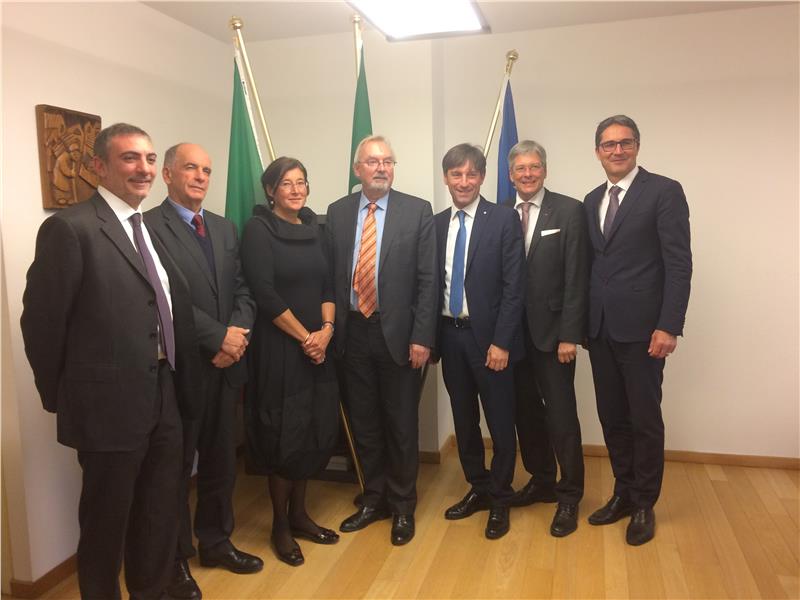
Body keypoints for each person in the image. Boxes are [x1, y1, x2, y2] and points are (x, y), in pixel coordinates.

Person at [20, 123, 201, 599]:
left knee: (158, 513)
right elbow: (42, 323)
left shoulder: (149, 227)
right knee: (106, 525)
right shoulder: (70, 228)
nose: (143, 168)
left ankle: (151, 591)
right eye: (129, 158)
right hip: (106, 407)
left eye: (149, 158)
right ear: (99, 166)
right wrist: (64, 397)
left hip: (164, 393)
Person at [144, 143, 262, 599]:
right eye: (190, 168)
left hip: (226, 367)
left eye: (206, 170)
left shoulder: (223, 227)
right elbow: (163, 299)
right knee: (173, 471)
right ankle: (175, 560)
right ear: (167, 174)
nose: (200, 177)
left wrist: (237, 336)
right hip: (183, 370)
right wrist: (217, 339)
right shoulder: (148, 228)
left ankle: (216, 542)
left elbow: (243, 289)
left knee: (220, 462)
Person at [584, 115, 692, 545]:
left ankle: (645, 503)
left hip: (645, 332)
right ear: (597, 151)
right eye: (608, 144)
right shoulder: (592, 199)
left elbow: (678, 264)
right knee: (612, 417)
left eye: (624, 143)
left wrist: (669, 325)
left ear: (637, 146)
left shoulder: (664, 192)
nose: (617, 151)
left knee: (643, 419)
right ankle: (624, 492)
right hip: (600, 330)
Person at [326, 135, 437, 546]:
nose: (382, 168)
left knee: (401, 423)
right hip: (352, 331)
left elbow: (428, 279)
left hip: (400, 336)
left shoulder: (417, 210)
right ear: (358, 169)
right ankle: (373, 498)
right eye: (373, 161)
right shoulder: (337, 212)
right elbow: (330, 275)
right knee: (365, 421)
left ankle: (403, 505)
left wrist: (422, 336)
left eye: (388, 161)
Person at [240, 157, 340, 567]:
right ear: (270, 190)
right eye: (287, 183)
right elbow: (264, 293)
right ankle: (280, 525)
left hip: (319, 346)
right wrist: (306, 338)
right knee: (283, 433)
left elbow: (329, 285)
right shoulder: (258, 230)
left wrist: (326, 332)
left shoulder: (317, 229)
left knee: (312, 429)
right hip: (280, 348)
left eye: (302, 182)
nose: (296, 190)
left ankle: (300, 515)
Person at [434, 143, 525, 540]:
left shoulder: (503, 219)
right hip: (450, 337)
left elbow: (514, 287)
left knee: (501, 421)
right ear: (446, 178)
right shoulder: (437, 224)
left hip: (490, 342)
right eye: (456, 174)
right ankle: (479, 486)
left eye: (472, 174)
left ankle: (501, 497)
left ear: (483, 177)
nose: (464, 181)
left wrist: (502, 342)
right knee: (464, 420)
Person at [502, 140, 590, 537]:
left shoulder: (569, 211)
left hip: (554, 337)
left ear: (545, 170)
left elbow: (577, 277)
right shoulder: (499, 213)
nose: (527, 174)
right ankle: (541, 481)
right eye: (520, 168)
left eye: (534, 166)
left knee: (561, 415)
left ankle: (569, 494)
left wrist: (570, 334)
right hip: (512, 338)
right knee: (525, 413)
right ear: (510, 175)